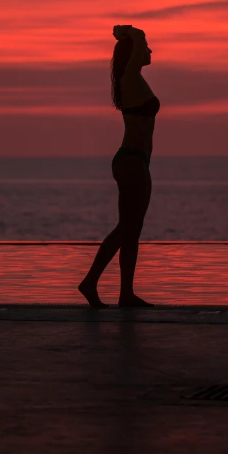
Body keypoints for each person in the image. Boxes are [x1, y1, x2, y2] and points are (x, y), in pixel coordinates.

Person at [78, 25, 159, 307]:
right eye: (145, 48)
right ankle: (90, 283)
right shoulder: (130, 77)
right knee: (127, 228)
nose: (150, 51)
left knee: (131, 229)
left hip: (138, 162)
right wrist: (127, 31)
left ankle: (125, 293)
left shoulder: (133, 80)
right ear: (134, 53)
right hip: (131, 162)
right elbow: (138, 38)